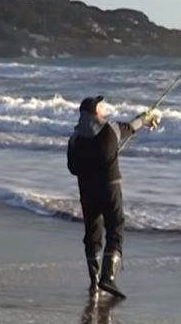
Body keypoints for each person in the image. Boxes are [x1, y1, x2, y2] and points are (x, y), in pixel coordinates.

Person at [66, 96, 159, 298]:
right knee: (115, 228)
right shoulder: (111, 129)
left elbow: (72, 168)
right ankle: (108, 278)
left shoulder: (75, 138)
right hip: (110, 188)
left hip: (87, 191)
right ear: (94, 112)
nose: (103, 109)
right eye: (100, 106)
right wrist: (147, 116)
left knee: (92, 232)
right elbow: (133, 126)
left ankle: (94, 280)